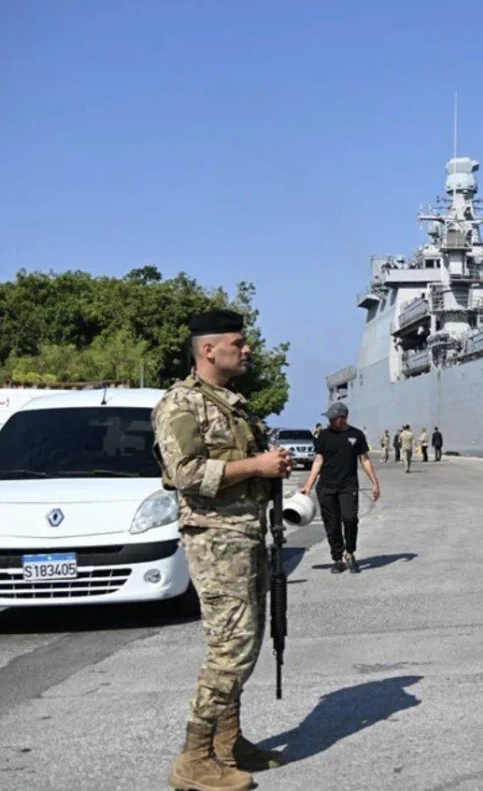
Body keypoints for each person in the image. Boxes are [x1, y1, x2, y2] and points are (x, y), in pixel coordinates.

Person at [151, 308, 289, 791]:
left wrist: (269, 468)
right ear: (208, 350)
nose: (246, 348)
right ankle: (193, 758)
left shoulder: (231, 403)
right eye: (238, 341)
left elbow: (243, 463)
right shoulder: (181, 405)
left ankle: (227, 743)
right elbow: (187, 473)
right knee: (230, 647)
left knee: (246, 642)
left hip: (246, 535)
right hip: (216, 539)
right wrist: (256, 466)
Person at [300, 401, 380, 575]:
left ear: (343, 418)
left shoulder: (356, 435)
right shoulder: (324, 436)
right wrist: (308, 485)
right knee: (332, 523)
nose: (330, 421)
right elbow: (318, 461)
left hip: (348, 485)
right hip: (326, 487)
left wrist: (375, 483)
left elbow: (364, 459)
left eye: (333, 418)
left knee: (350, 518)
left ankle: (349, 552)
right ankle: (337, 558)